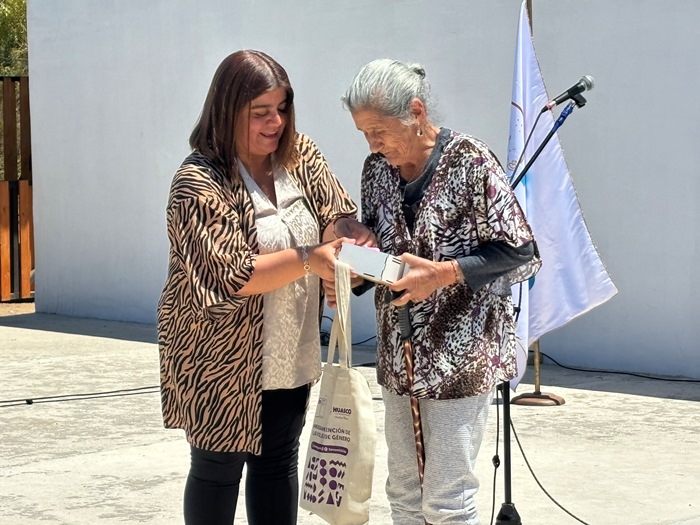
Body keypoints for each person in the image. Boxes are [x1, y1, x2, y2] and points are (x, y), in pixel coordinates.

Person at [157, 49, 372, 525]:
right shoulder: (198, 180)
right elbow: (233, 275)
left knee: (277, 464)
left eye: (282, 108)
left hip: (288, 352)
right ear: (226, 110)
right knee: (217, 470)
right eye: (261, 112)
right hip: (219, 358)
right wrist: (308, 259)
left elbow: (336, 211)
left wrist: (351, 238)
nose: (276, 122)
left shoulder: (300, 156)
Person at [339, 58, 541, 525]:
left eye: (379, 130)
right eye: (364, 132)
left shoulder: (470, 161)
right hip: (399, 355)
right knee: (404, 493)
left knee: (447, 500)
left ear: (415, 111)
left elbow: (520, 249)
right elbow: (386, 251)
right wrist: (357, 271)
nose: (373, 143)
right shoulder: (377, 170)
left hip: (461, 355)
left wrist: (444, 273)